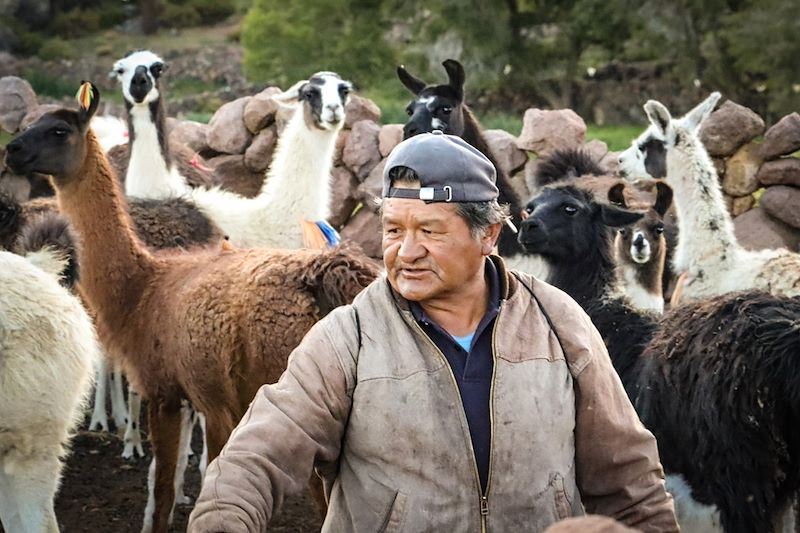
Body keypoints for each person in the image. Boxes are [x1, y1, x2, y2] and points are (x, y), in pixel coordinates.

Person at [188, 131, 678, 532]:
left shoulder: (558, 322)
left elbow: (628, 477)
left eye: (430, 231)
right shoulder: (350, 337)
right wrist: (222, 519)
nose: (405, 251)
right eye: (394, 230)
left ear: (487, 234)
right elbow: (258, 453)